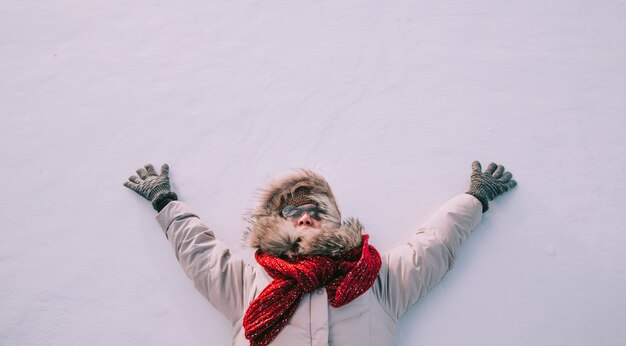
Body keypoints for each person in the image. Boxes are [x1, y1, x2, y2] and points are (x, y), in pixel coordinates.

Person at [123, 161, 516, 346]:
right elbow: (203, 257)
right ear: (278, 221)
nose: (306, 217)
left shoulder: (373, 278)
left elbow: (429, 249)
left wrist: (474, 199)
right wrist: (165, 203)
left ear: (332, 221)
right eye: (294, 211)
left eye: (317, 211)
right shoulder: (251, 282)